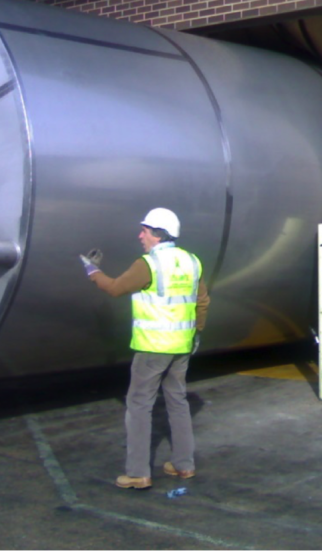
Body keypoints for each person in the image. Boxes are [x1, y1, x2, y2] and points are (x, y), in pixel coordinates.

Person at [80, 207, 210, 490]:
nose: (140, 235)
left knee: (139, 404)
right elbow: (202, 301)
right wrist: (197, 332)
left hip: (153, 347)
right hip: (182, 345)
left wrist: (92, 270)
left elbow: (114, 288)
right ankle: (183, 464)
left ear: (157, 235)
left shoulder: (147, 264)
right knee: (177, 401)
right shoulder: (192, 261)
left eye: (145, 231)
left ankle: (138, 472)